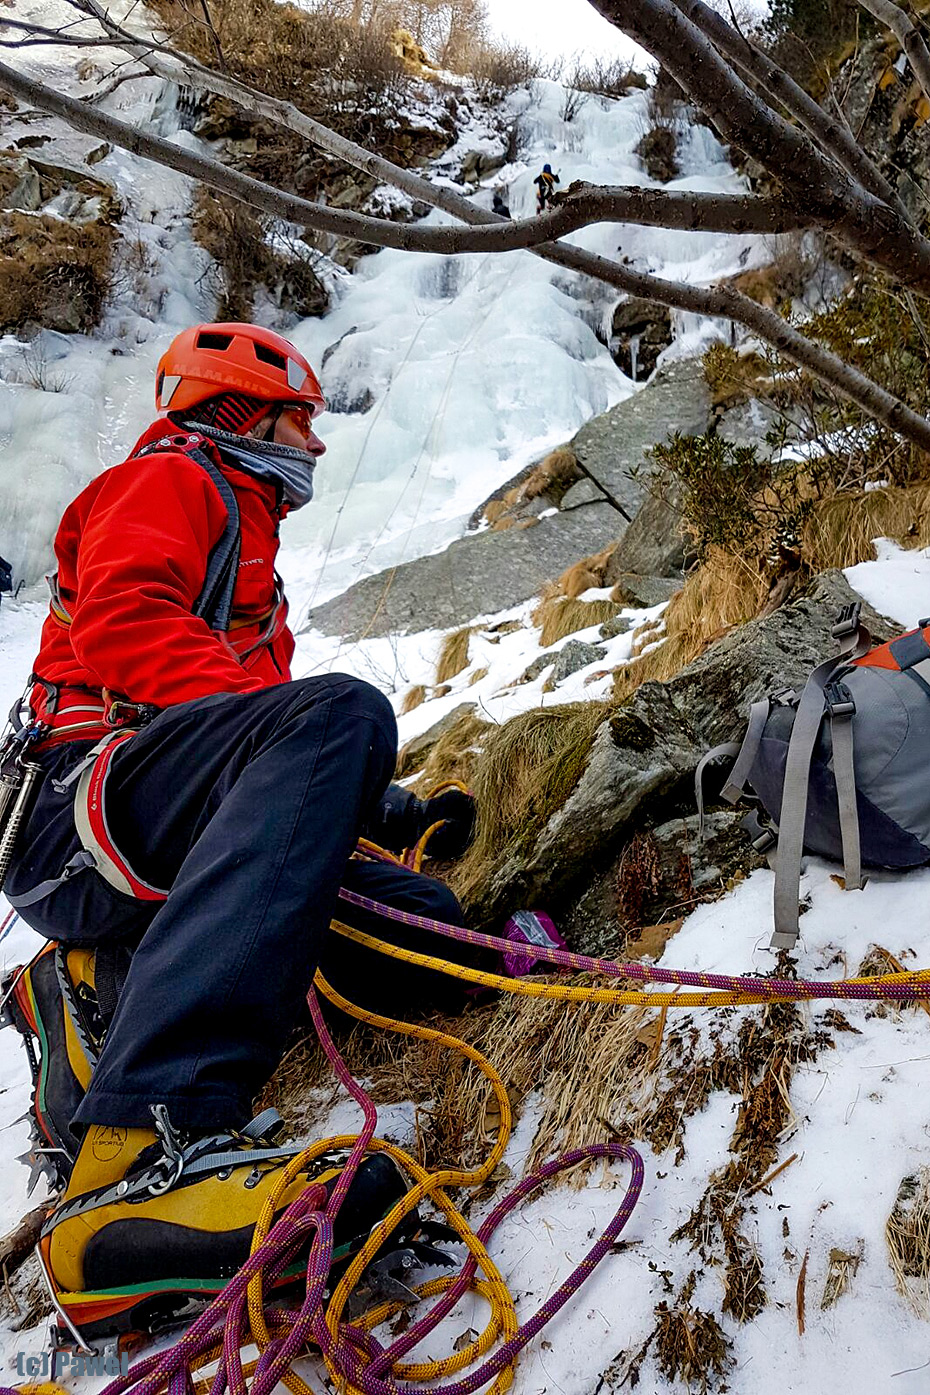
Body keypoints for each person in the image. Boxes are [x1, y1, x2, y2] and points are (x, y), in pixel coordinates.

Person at [1, 321, 480, 1343]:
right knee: (341, 709)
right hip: (74, 811)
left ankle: (95, 981)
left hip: (150, 825)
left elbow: (269, 758)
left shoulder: (258, 571)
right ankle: (141, 1149)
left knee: (431, 931)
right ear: (240, 415)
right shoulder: (169, 480)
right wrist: (328, 733)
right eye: (298, 419)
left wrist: (388, 807)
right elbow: (125, 621)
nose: (315, 442)